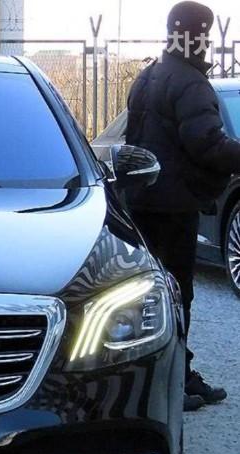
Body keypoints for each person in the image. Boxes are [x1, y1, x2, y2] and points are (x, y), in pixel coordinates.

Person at [125, 1, 240, 411]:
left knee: (150, 296)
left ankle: (160, 376)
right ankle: (175, 383)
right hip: (174, 207)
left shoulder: (148, 76)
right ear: (199, 36)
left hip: (141, 201)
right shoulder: (190, 83)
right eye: (205, 35)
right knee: (177, 296)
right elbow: (207, 144)